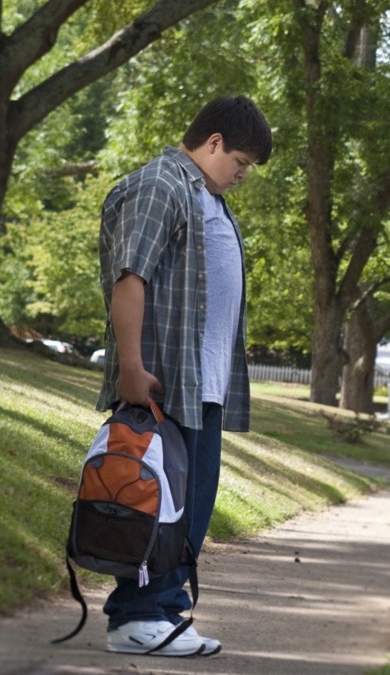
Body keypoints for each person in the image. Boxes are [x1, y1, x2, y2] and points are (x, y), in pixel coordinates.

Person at [95, 95, 272, 657]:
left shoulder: (207, 197)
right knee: (155, 507)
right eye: (241, 161)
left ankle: (163, 612)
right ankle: (137, 616)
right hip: (163, 381)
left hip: (203, 388)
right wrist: (130, 368)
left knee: (187, 509)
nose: (243, 174)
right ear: (213, 142)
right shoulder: (161, 186)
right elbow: (131, 276)